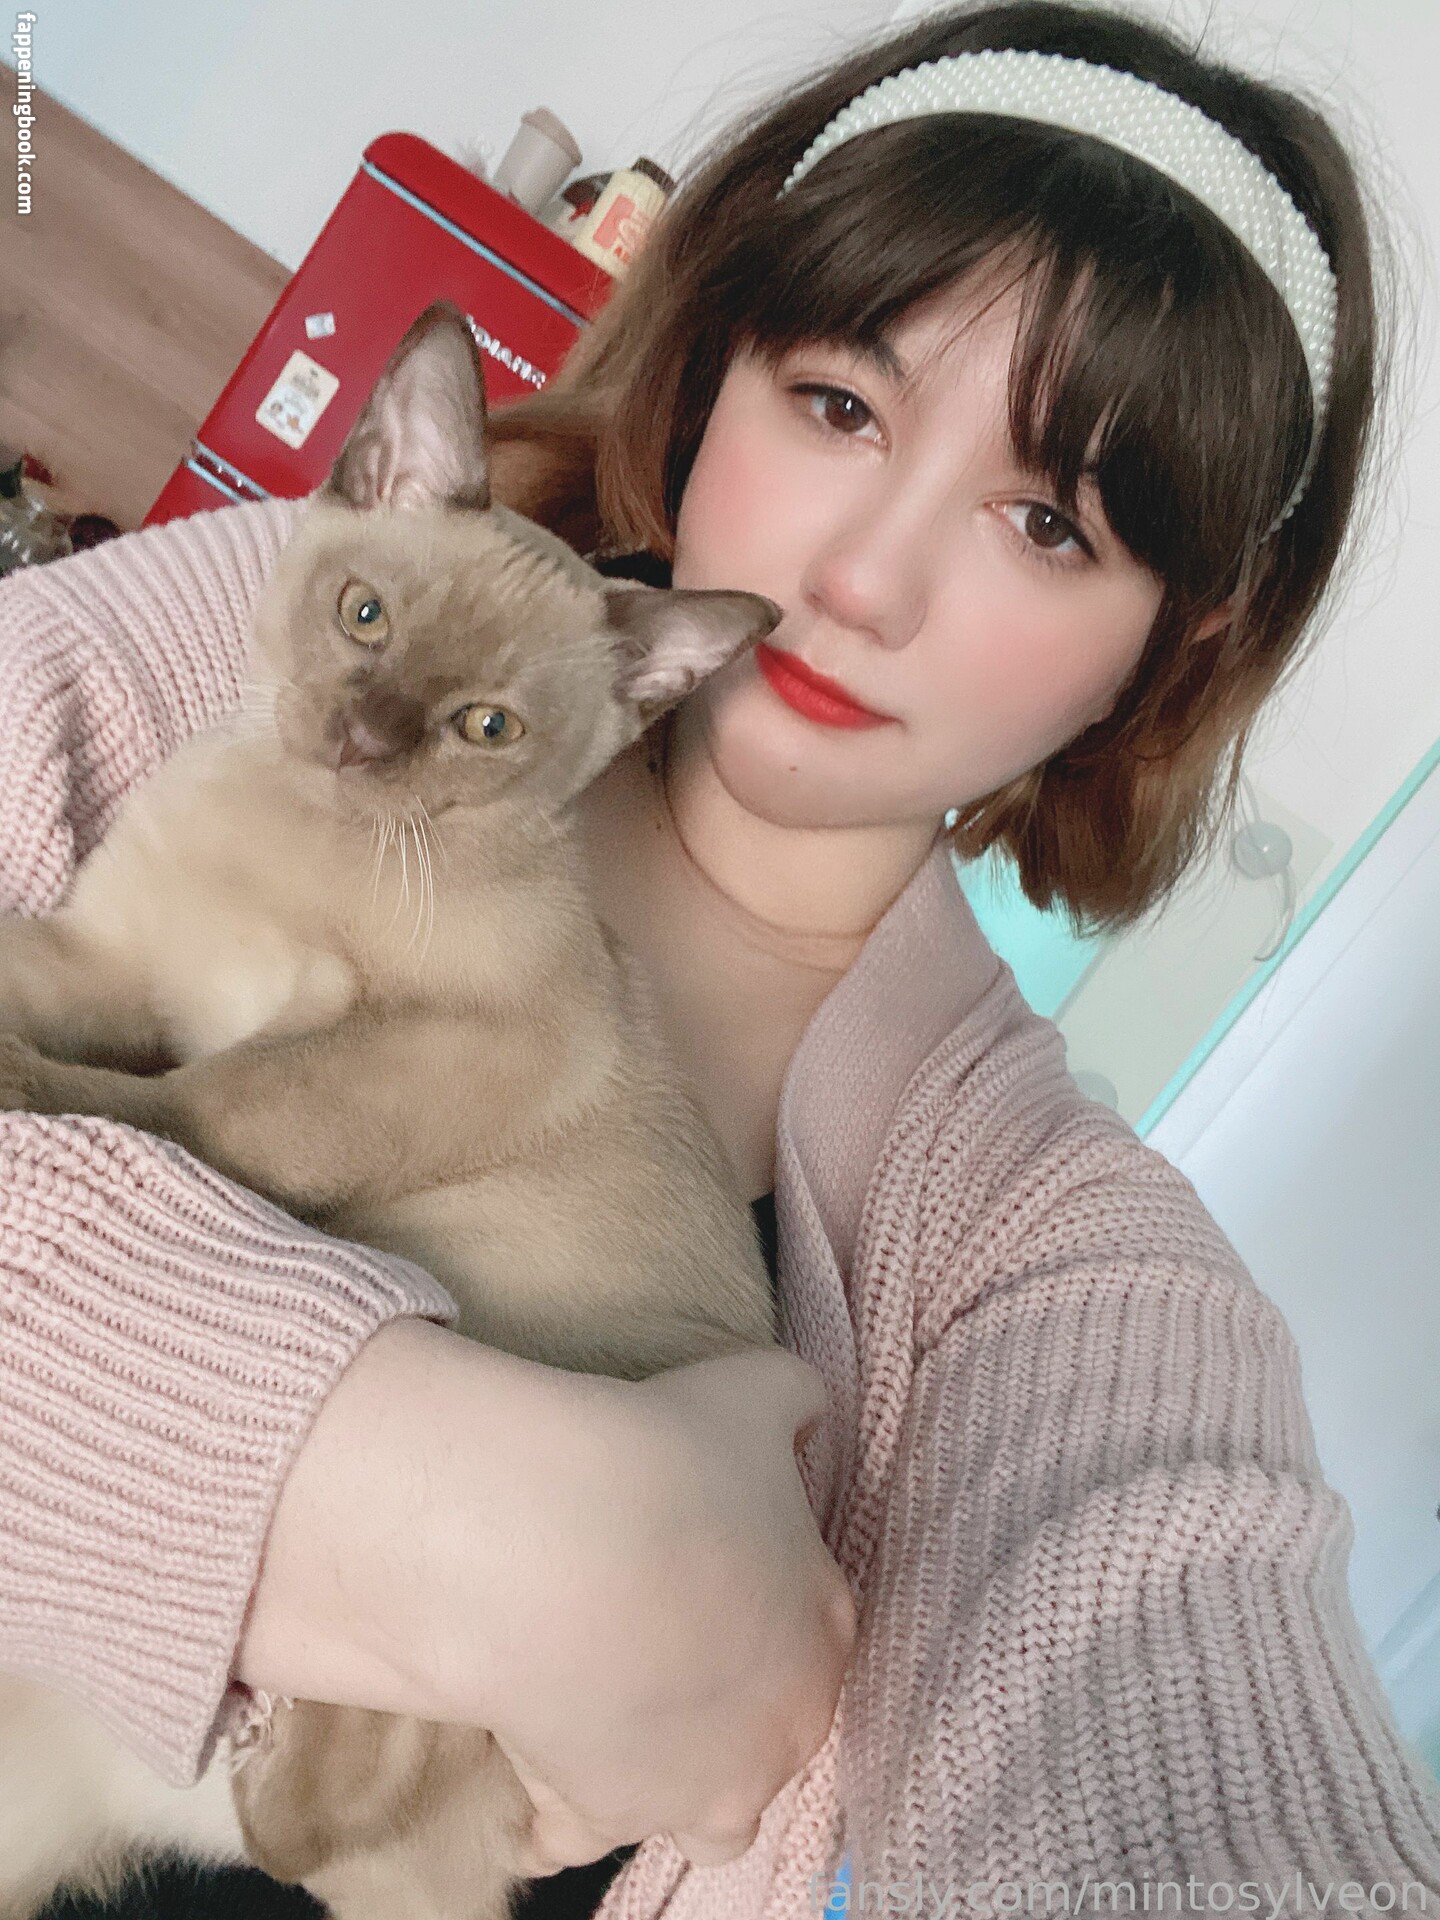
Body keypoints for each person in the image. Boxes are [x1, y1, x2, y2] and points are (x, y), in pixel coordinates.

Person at [3, 1, 1439, 1916]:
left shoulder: (1052, 1261)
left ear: (1167, 648)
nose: (866, 581)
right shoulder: (263, 642)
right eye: (840, 406)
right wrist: (464, 1521)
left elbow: (1182, 1764)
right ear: (705, 382)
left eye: (1046, 523)